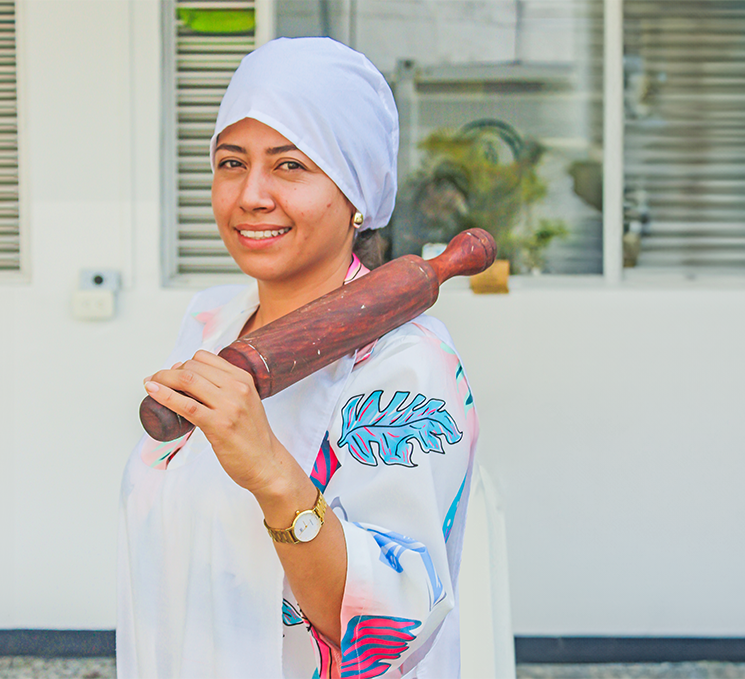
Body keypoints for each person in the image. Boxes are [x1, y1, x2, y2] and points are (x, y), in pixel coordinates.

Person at [118, 37, 479, 679]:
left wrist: (272, 473)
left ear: (357, 190)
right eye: (232, 162)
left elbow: (388, 631)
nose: (251, 195)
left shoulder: (410, 368)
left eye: (291, 166)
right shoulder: (212, 320)